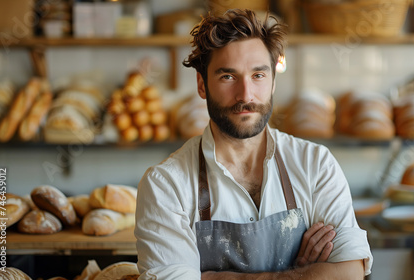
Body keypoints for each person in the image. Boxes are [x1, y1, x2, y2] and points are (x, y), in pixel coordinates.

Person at [135, 9, 373, 280]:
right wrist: (301, 273)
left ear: (272, 82)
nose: (245, 95)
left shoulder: (315, 164)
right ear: (202, 85)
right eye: (228, 76)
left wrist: (212, 277)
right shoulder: (166, 185)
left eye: (258, 75)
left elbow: (351, 271)